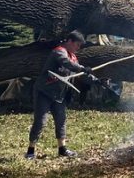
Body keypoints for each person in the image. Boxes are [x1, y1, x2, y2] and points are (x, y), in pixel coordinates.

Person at [26, 31, 96, 159]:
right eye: (77, 45)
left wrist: (96, 79)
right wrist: (82, 68)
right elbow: (67, 64)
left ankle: (62, 149)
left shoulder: (73, 56)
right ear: (69, 41)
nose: (78, 48)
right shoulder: (59, 51)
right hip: (44, 92)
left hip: (59, 95)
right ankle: (30, 151)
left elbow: (78, 73)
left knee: (61, 120)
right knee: (40, 122)